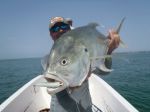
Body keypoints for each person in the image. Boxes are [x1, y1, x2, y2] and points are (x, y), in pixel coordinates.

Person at [47, 16, 120, 112]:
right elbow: (51, 81)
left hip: (85, 107)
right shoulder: (51, 57)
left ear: (69, 29)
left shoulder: (81, 48)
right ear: (51, 34)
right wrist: (73, 84)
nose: (60, 30)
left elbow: (104, 72)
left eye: (64, 27)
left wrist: (109, 50)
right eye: (55, 28)